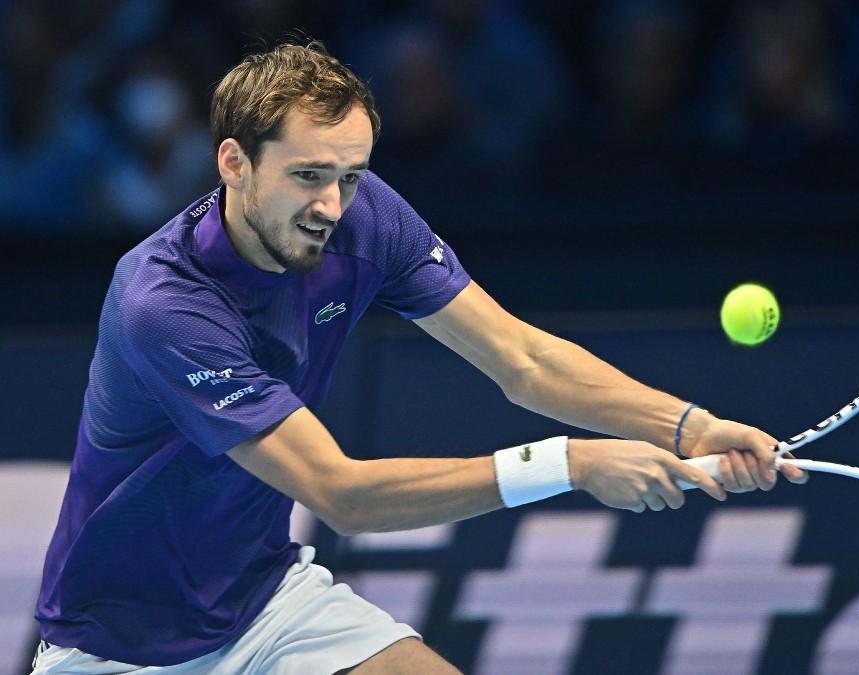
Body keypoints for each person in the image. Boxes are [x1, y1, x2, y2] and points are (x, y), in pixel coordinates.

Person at [31, 39, 805, 674]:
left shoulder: (362, 216)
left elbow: (523, 358)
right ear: (234, 163)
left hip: (263, 601)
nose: (333, 206)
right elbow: (344, 495)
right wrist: (571, 463)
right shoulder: (165, 305)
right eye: (307, 176)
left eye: (351, 176)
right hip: (115, 650)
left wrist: (689, 426)